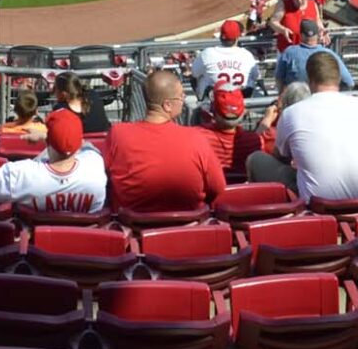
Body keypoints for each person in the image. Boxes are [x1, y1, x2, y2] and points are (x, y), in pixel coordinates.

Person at [252, 50, 358, 202]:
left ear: (310, 80)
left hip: (320, 207)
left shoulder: (292, 113)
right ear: (338, 78)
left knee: (255, 159)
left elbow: (281, 155)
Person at [105, 69, 225, 214]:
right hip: (188, 226)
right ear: (167, 105)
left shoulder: (118, 133)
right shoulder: (196, 137)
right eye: (181, 97)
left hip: (134, 228)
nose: (183, 100)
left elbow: (106, 178)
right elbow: (218, 188)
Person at [0, 111, 108, 214]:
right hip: (83, 244)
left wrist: (49, 136)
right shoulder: (95, 165)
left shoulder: (19, 175)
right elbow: (88, 147)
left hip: (33, 244)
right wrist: (54, 137)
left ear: (47, 142)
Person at [196, 87, 262, 180]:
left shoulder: (197, 136)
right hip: (244, 191)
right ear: (243, 112)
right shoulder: (254, 140)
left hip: (210, 191)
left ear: (213, 111)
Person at [276, 17, 354, 91]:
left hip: (297, 101)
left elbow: (279, 79)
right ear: (317, 35)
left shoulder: (289, 53)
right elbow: (349, 82)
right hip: (323, 100)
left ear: (301, 35)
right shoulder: (329, 54)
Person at [191, 19, 258, 99]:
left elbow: (194, 74)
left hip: (215, 102)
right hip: (240, 102)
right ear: (237, 37)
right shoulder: (247, 55)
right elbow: (256, 76)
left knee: (199, 78)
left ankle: (200, 100)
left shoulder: (207, 53)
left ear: (220, 36)